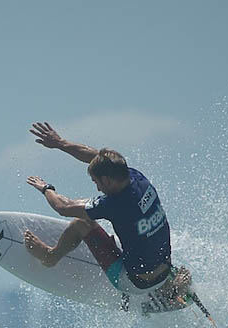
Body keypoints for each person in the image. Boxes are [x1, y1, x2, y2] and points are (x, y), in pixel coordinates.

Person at [23, 121, 191, 309]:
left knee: (82, 222)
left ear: (107, 180)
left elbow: (63, 207)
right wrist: (60, 143)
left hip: (135, 282)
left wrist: (46, 188)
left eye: (97, 182)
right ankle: (167, 288)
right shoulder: (135, 176)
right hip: (166, 269)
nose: (97, 188)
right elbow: (97, 157)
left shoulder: (115, 204)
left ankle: (50, 257)